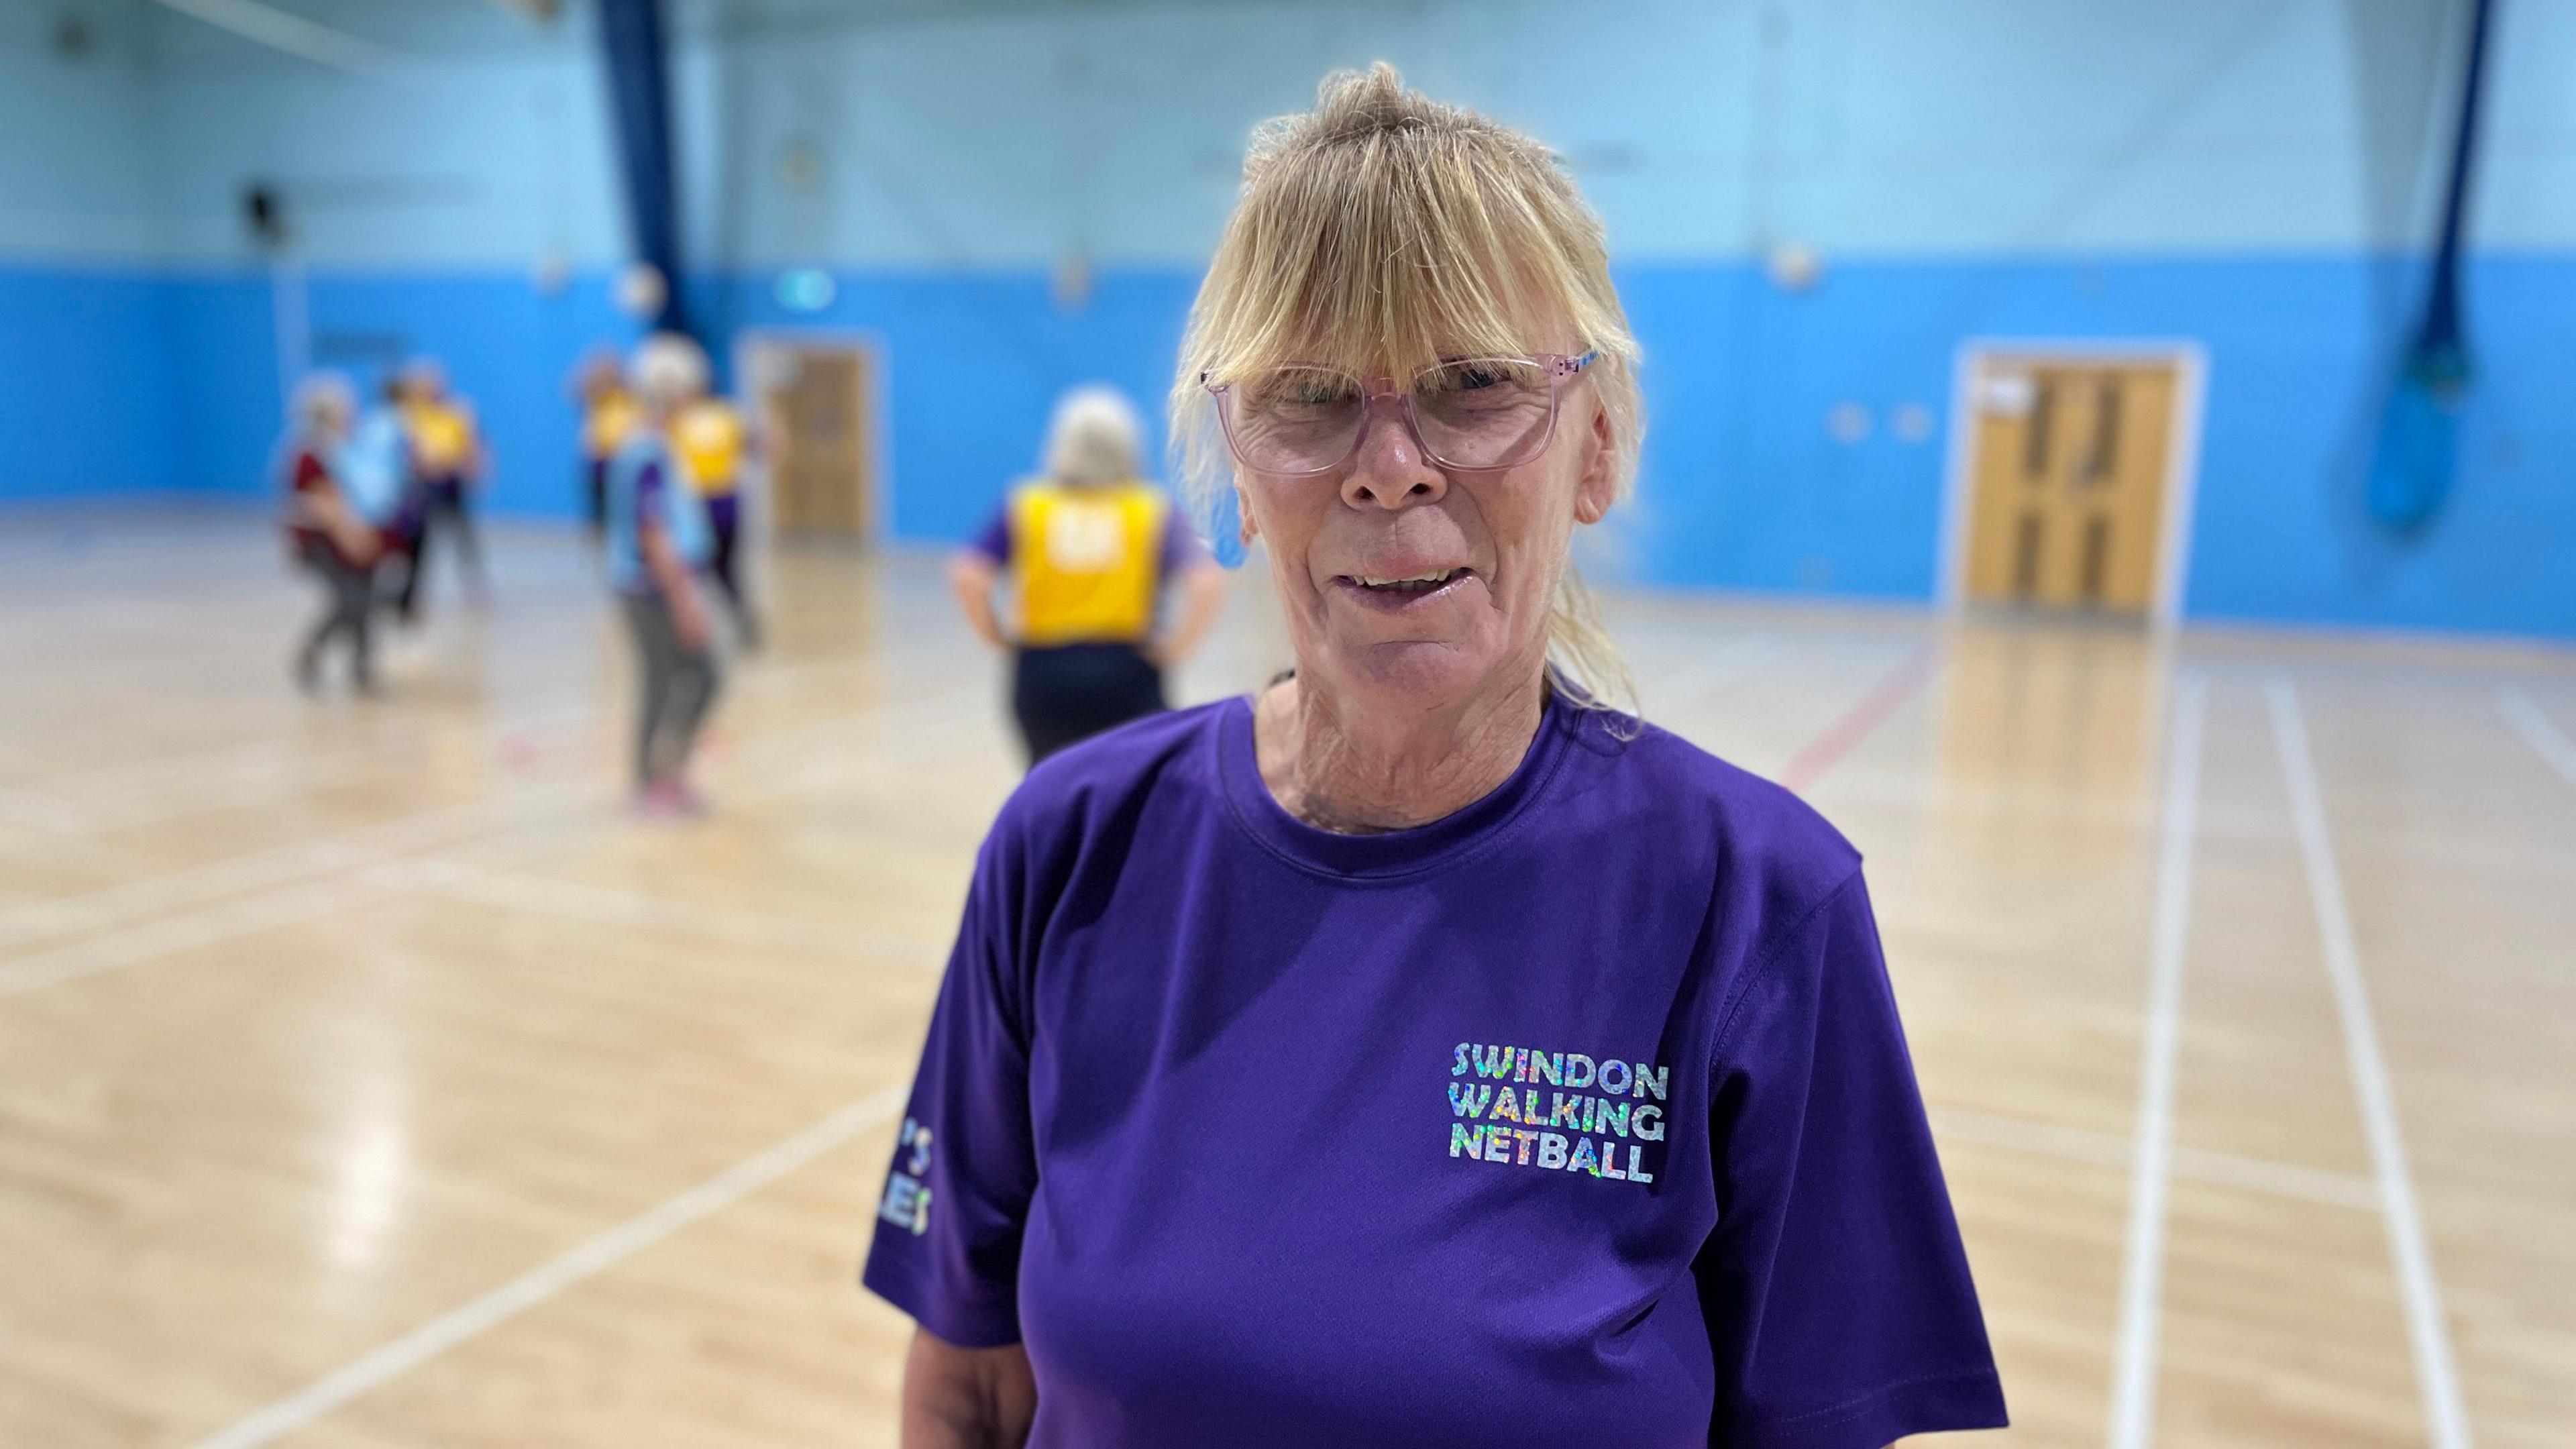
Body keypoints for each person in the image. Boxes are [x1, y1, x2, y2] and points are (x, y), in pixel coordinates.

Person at [865, 67, 2008, 1449]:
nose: (1388, 467)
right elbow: (971, 1387)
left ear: (1596, 450)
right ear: (1235, 463)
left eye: (1473, 388)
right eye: (1308, 397)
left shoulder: (1757, 902)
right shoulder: (1067, 848)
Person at [949, 386, 1226, 766]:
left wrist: (996, 636)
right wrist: (1177, 647)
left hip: (1043, 671)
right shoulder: (1150, 510)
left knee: (1051, 788)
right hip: (1125, 669)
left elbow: (970, 576)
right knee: (1132, 791)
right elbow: (1205, 581)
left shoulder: (1027, 504)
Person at [605, 332, 723, 816]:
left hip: (657, 586)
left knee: (687, 677)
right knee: (676, 678)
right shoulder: (648, 452)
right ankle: (653, 780)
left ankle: (664, 773)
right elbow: (653, 535)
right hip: (649, 589)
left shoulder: (654, 446)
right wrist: (685, 603)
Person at [277, 372, 380, 693]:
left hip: (344, 533)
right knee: (350, 598)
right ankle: (313, 650)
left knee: (364, 598)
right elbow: (326, 505)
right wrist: (353, 537)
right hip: (321, 540)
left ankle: (362, 667)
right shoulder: (311, 451)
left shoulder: (339, 448)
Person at [392, 357, 488, 619]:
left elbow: (475, 443)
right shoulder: (408, 413)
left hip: (450, 483)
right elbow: (403, 448)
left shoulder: (458, 410)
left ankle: (475, 588)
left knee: (464, 538)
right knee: (418, 545)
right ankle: (409, 596)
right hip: (420, 488)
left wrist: (475, 468)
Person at [669, 386, 761, 647]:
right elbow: (755, 446)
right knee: (726, 570)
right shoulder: (729, 416)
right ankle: (740, 618)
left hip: (701, 504)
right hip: (724, 501)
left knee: (695, 569)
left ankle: (698, 627)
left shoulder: (682, 419)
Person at [574, 347, 638, 545]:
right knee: (600, 511)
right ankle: (602, 542)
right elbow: (577, 389)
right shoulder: (598, 398)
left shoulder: (629, 397)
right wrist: (598, 370)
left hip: (623, 461)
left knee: (625, 508)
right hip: (600, 461)